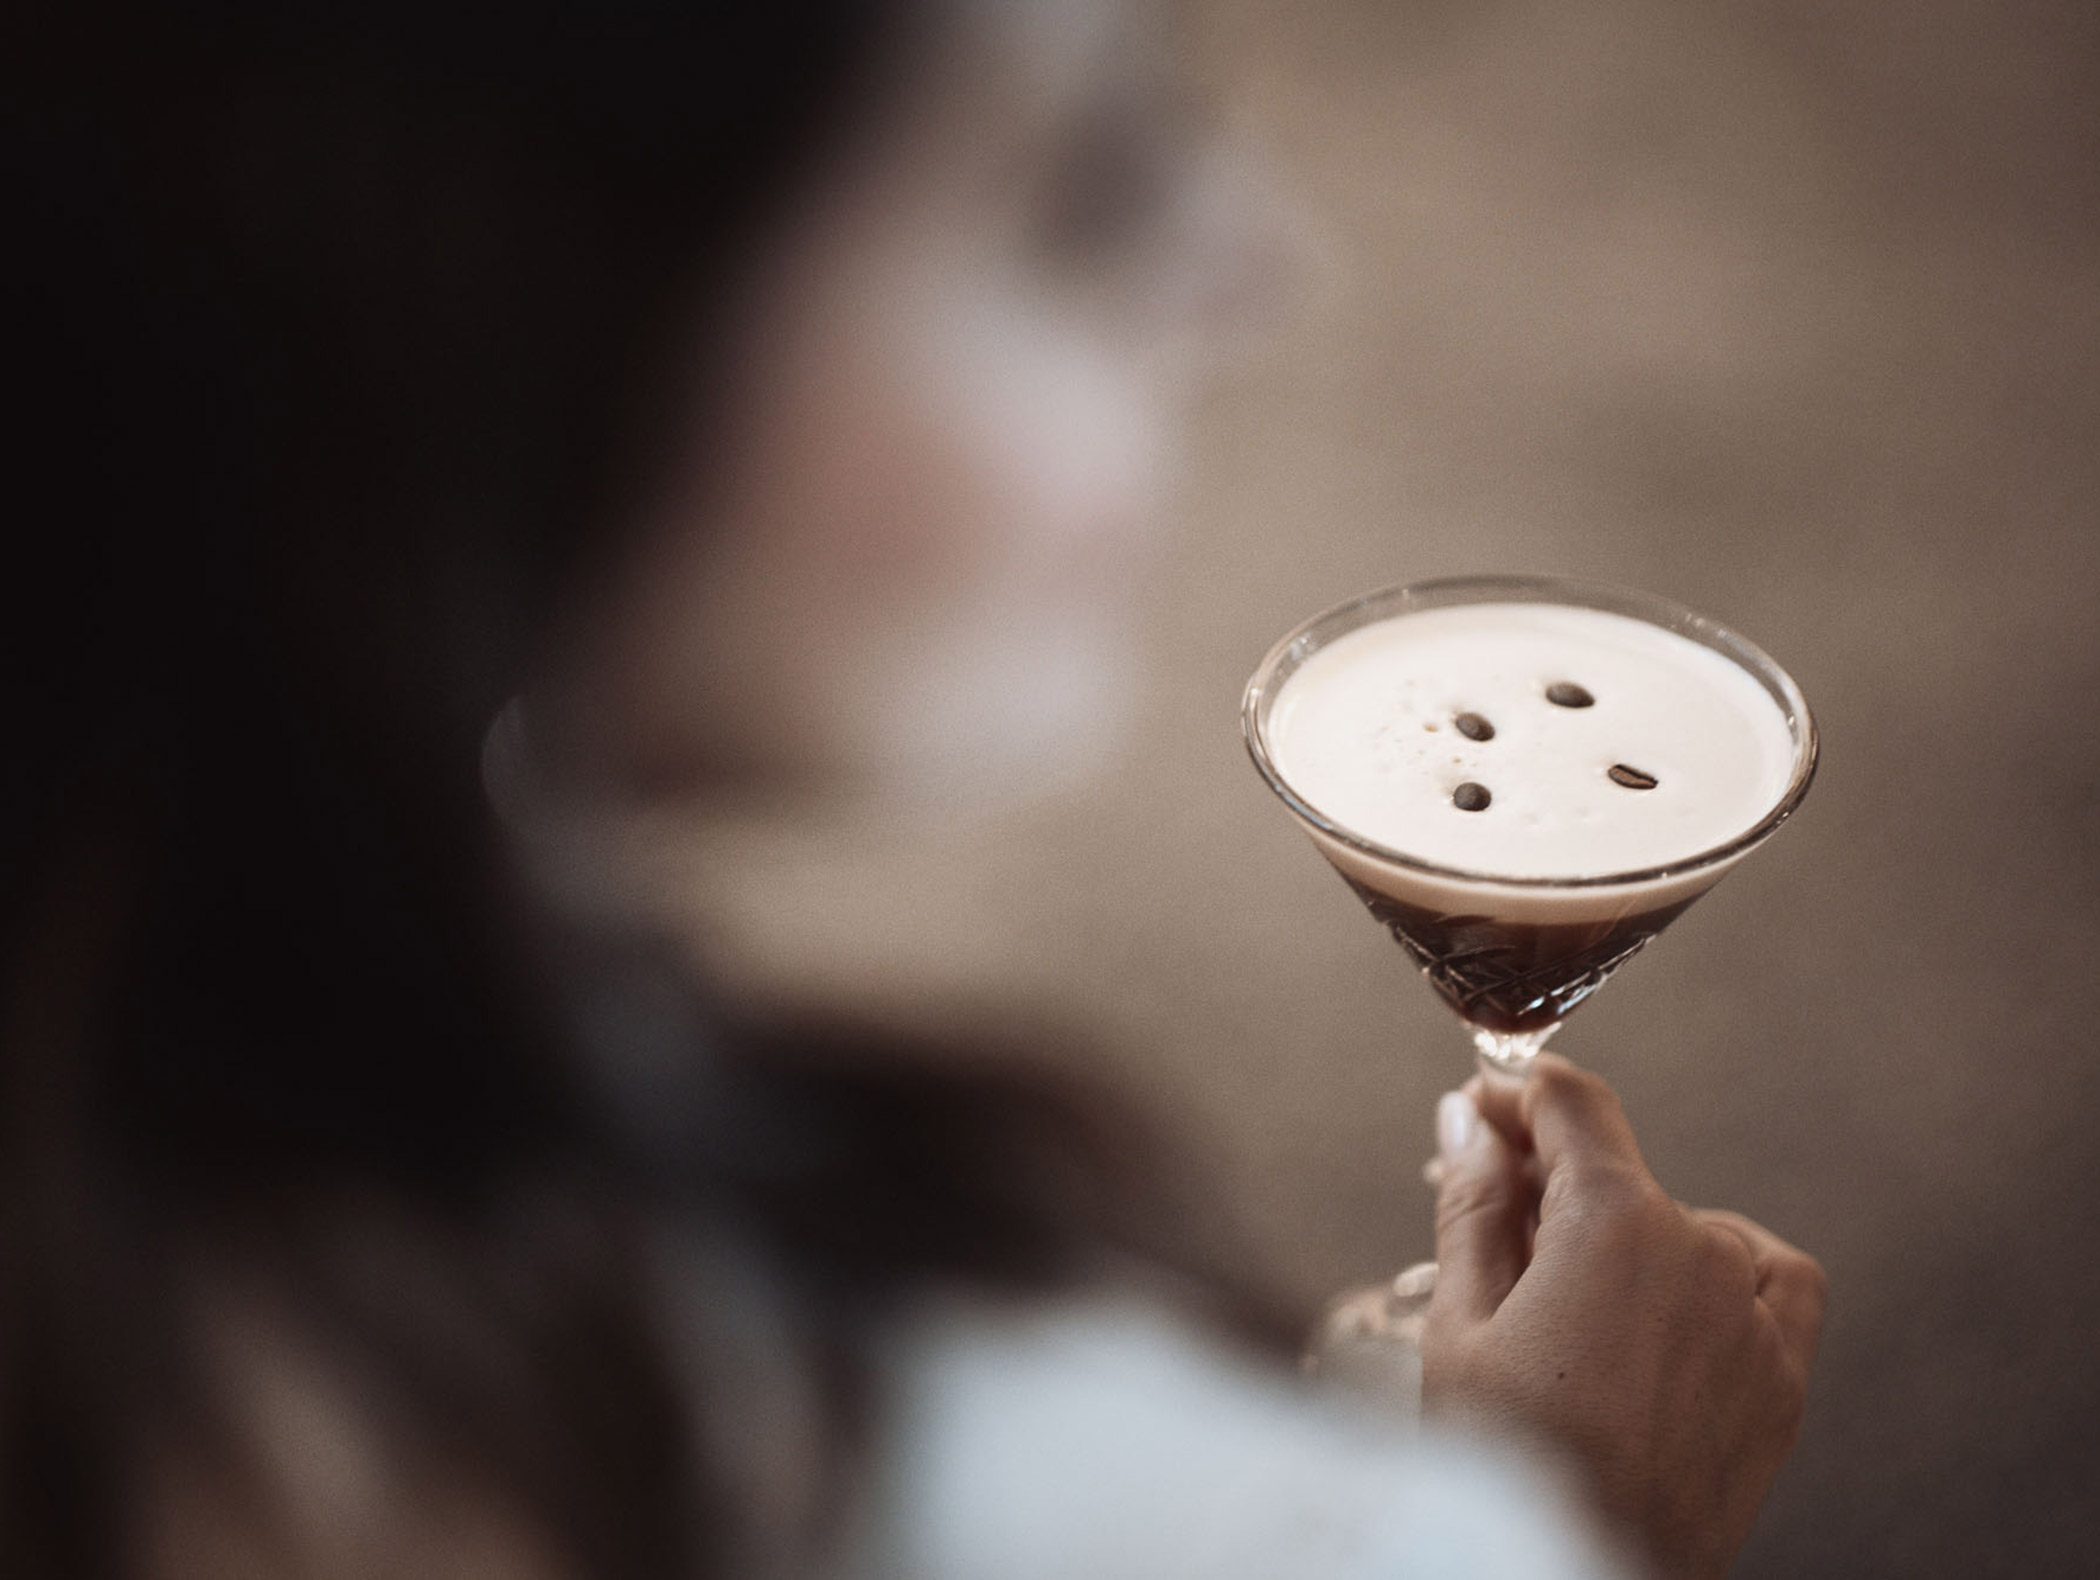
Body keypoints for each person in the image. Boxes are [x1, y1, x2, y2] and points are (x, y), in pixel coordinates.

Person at [1, 1, 1823, 1577]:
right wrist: (1557, 1524)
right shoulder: (1005, 1495)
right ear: (519, 303)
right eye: (1080, 195)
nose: (1260, 260)